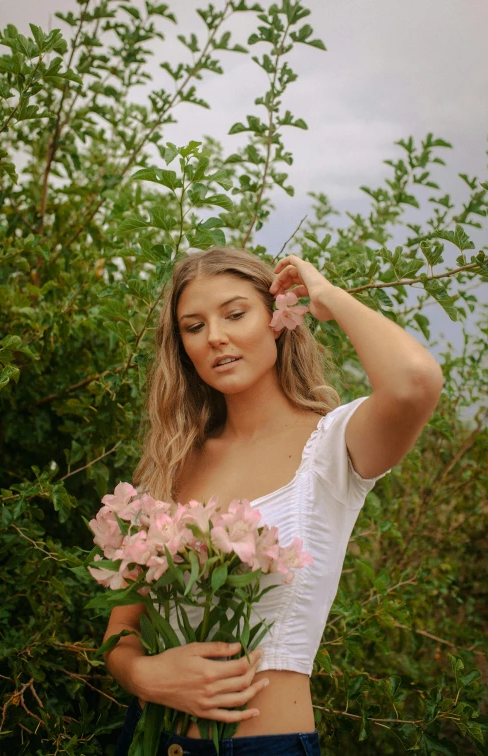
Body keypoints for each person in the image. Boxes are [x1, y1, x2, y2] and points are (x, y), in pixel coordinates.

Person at [104, 247, 444, 756]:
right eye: (193, 327)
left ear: (277, 319)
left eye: (236, 313)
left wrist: (327, 297)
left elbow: (415, 382)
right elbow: (120, 632)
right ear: (184, 348)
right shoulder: (172, 463)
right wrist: (143, 675)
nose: (215, 336)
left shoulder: (332, 446)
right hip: (149, 740)